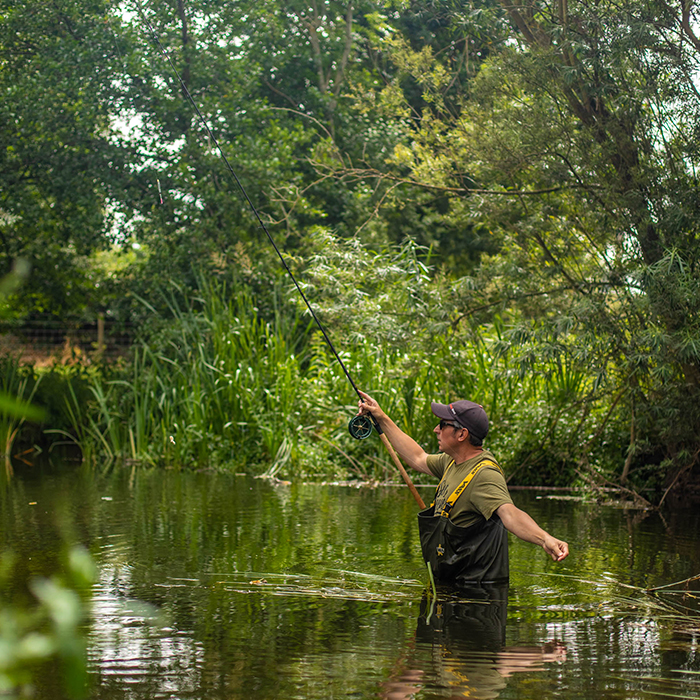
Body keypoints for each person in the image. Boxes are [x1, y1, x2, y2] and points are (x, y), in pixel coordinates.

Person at [357, 391, 569, 586]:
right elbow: (417, 457)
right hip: (452, 586)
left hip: (478, 595)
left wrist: (545, 539)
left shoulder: (485, 474)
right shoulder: (451, 461)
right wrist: (382, 418)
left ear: (461, 435)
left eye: (443, 424)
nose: (436, 429)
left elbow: (510, 513)